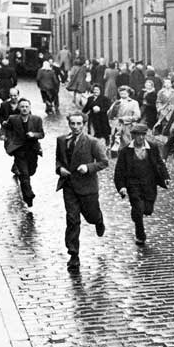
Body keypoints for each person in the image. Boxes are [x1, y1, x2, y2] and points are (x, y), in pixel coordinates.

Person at [55, 112, 109, 272]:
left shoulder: (93, 142)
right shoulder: (61, 140)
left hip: (87, 187)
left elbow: (104, 162)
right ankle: (73, 254)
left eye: (79, 124)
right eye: (73, 123)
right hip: (69, 186)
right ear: (69, 124)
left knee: (91, 217)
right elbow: (58, 159)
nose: (76, 127)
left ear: (84, 124)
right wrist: (60, 169)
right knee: (72, 220)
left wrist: (88, 167)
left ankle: (98, 220)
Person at [114, 123, 169, 245]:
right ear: (133, 136)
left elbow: (159, 163)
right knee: (138, 209)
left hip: (149, 183)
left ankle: (136, 212)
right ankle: (140, 234)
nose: (141, 138)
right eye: (138, 135)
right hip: (133, 184)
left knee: (148, 210)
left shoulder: (153, 147)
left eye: (143, 135)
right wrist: (121, 187)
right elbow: (119, 170)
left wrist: (165, 177)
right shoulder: (125, 151)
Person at [3, 99, 44, 207]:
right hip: (19, 151)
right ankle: (28, 196)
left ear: (30, 108)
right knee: (24, 175)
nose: (24, 109)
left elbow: (41, 134)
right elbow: (5, 127)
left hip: (33, 151)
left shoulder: (37, 119)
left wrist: (34, 134)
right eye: (22, 107)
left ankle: (27, 190)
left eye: (26, 106)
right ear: (18, 108)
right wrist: (5, 137)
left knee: (31, 171)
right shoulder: (13, 119)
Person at [107, 85, 141, 154]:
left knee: (127, 142)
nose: (122, 95)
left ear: (129, 93)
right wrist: (113, 109)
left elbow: (137, 116)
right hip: (117, 125)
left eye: (124, 93)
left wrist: (125, 119)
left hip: (128, 125)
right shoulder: (117, 102)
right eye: (121, 93)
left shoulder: (134, 103)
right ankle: (115, 155)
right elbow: (109, 115)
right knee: (115, 141)